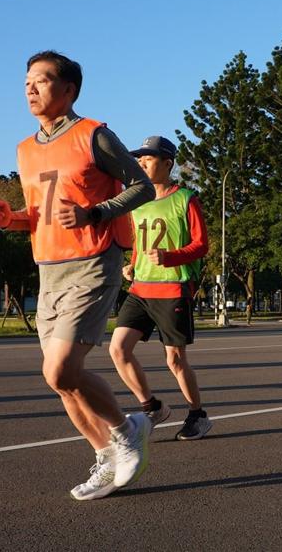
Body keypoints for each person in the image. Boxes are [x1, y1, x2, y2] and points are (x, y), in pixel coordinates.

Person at [0, 51, 155, 500]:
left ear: (69, 89)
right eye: (26, 82)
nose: (30, 89)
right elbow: (39, 216)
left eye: (40, 81)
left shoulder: (94, 135)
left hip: (94, 261)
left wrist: (95, 211)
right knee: (58, 379)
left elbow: (143, 186)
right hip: (49, 268)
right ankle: (106, 454)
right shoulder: (24, 149)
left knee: (62, 369)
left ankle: (128, 428)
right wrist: (9, 221)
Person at [108, 135, 212, 441]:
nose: (140, 162)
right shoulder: (136, 201)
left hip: (172, 288)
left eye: (148, 158)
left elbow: (201, 245)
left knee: (175, 360)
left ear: (167, 164)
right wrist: (133, 264)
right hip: (141, 289)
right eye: (139, 158)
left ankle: (198, 415)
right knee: (118, 349)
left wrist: (171, 257)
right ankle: (152, 406)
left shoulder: (186, 198)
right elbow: (142, 245)